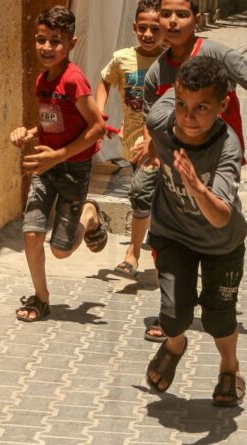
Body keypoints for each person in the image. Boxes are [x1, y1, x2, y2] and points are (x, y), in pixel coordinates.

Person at [137, 0, 247, 342]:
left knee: (218, 219)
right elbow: (153, 120)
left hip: (217, 160)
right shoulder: (155, 74)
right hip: (175, 166)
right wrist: (150, 145)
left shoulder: (216, 54)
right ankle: (172, 311)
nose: (172, 21)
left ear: (197, 18)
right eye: (166, 14)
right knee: (160, 216)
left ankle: (218, 294)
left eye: (182, 14)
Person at [144, 56, 247, 407]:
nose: (188, 117)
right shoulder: (160, 119)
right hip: (173, 232)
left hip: (222, 242)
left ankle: (229, 367)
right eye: (183, 104)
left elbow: (220, 217)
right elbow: (153, 117)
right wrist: (149, 144)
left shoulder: (227, 146)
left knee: (219, 318)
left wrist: (197, 188)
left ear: (223, 105)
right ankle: (175, 344)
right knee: (174, 316)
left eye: (202, 107)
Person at [9, 6, 107, 322]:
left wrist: (58, 155)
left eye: (56, 41)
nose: (47, 48)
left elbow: (97, 128)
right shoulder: (42, 81)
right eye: (41, 40)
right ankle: (41, 298)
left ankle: (90, 215)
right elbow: (52, 123)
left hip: (73, 168)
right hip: (45, 167)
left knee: (61, 250)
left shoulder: (74, 80)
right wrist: (29, 133)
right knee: (32, 234)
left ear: (72, 43)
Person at [96, 0, 164, 278]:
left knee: (143, 194)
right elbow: (105, 81)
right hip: (134, 143)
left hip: (164, 142)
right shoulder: (123, 58)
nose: (148, 34)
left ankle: (133, 252)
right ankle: (146, 245)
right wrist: (100, 111)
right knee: (145, 194)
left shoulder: (170, 61)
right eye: (143, 28)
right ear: (134, 27)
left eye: (155, 29)